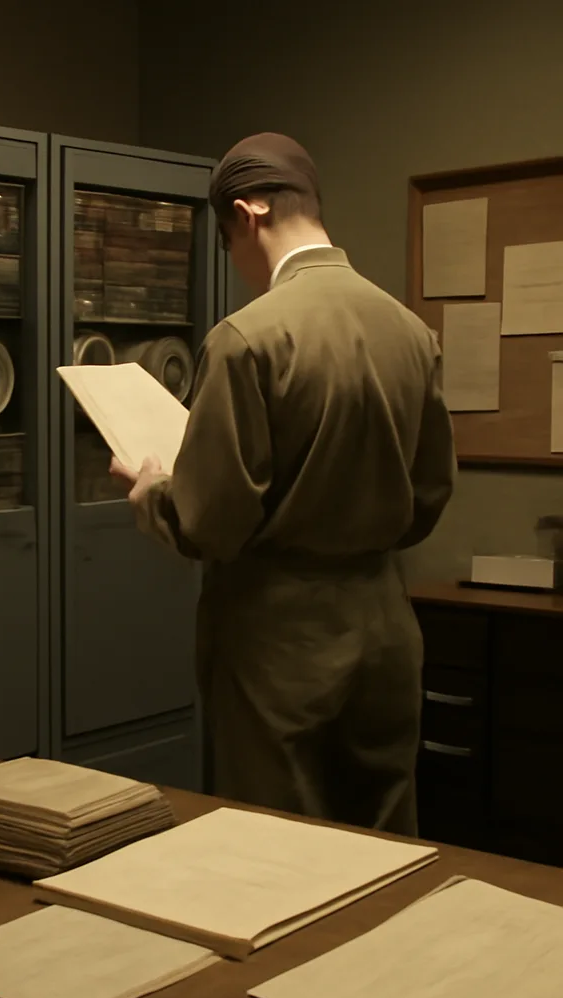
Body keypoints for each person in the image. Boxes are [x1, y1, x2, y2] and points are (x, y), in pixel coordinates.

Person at [110, 132, 456, 836]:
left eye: (227, 240)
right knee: (384, 839)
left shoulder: (248, 337)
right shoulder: (410, 332)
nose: (236, 263)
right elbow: (427, 499)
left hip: (278, 638)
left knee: (277, 848)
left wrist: (151, 489)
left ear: (249, 212)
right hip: (385, 627)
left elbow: (212, 523)